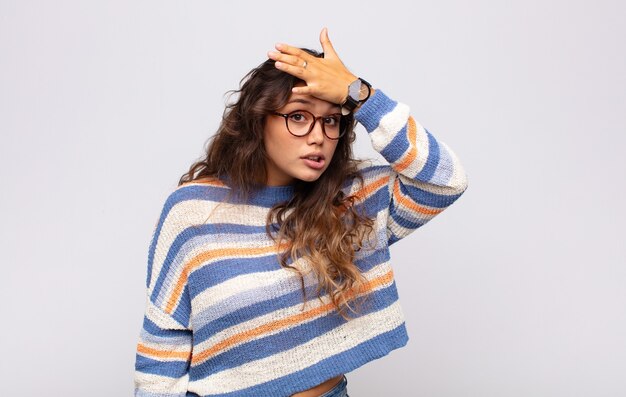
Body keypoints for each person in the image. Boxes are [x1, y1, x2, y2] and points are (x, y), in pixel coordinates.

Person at [134, 28, 468, 397]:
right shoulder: (194, 211)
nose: (317, 136)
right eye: (298, 116)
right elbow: (162, 351)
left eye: (330, 119)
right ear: (258, 120)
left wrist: (360, 94)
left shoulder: (349, 202)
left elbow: (445, 181)